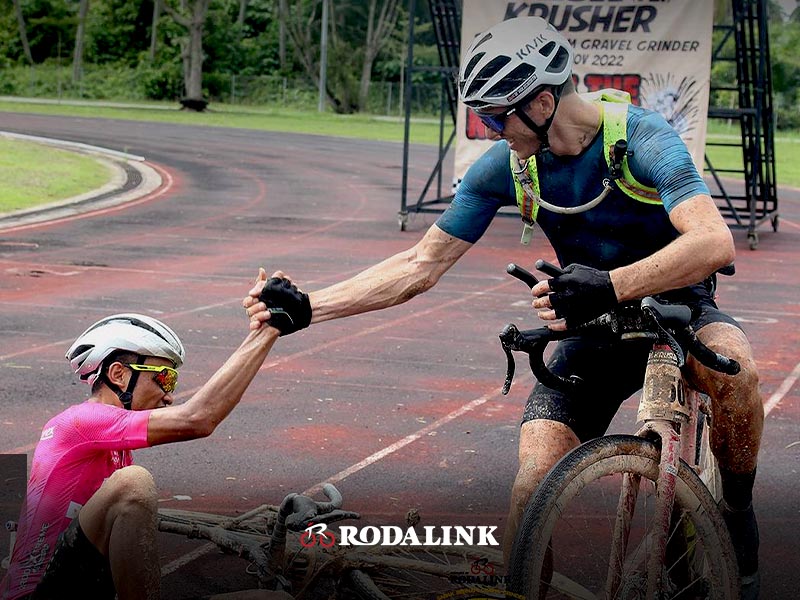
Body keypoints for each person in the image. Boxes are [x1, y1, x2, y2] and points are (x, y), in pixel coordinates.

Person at [244, 16, 764, 597]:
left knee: (738, 374)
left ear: (542, 102)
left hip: (679, 309)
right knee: (531, 487)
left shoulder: (643, 138)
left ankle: (738, 515)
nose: (491, 131)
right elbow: (421, 264)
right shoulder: (507, 166)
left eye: (497, 117)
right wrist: (313, 306)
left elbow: (713, 242)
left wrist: (613, 283)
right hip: (594, 327)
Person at [1, 269, 297, 600]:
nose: (169, 394)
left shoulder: (112, 448)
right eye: (165, 378)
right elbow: (199, 418)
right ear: (118, 374)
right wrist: (269, 329)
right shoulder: (82, 421)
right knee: (134, 483)